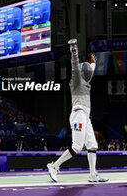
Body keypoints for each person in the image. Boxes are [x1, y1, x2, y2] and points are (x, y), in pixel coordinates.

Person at [47, 39, 108, 183]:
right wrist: (74, 50)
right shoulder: (77, 80)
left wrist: (93, 62)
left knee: (92, 146)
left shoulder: (86, 81)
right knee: (77, 146)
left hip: (86, 117)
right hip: (79, 114)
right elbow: (75, 66)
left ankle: (93, 175)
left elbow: (90, 71)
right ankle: (54, 166)